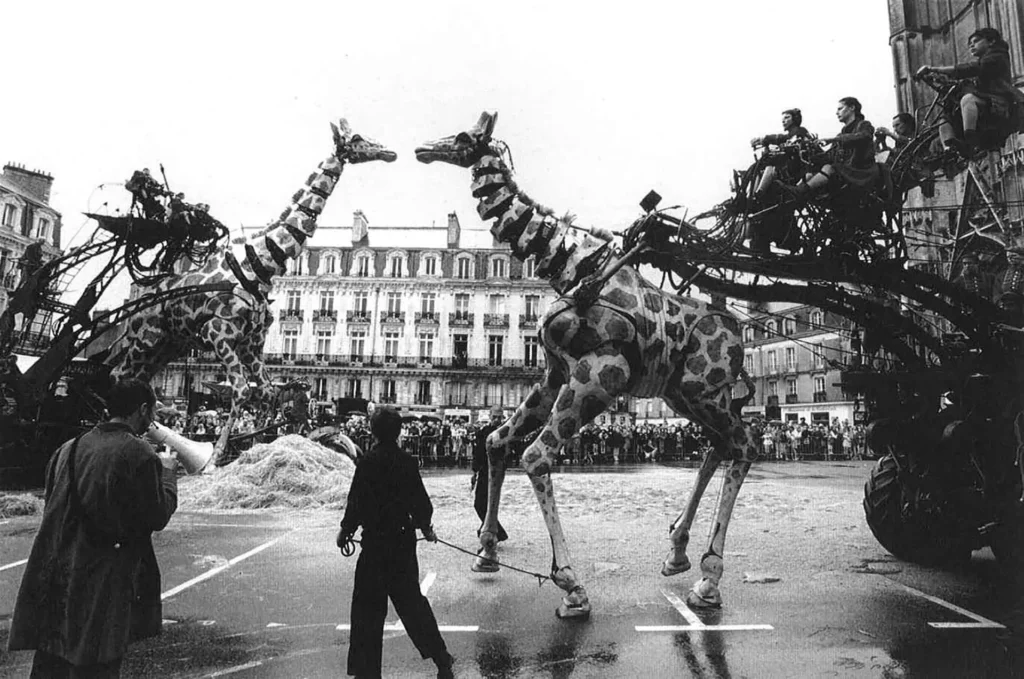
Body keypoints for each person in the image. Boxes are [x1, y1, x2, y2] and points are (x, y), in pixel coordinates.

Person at [8, 378, 178, 679]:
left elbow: (53, 505)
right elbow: (157, 516)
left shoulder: (67, 449)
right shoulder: (140, 454)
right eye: (151, 413)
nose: (151, 421)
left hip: (59, 576)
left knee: (53, 660)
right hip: (102, 580)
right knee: (96, 661)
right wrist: (167, 475)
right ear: (142, 410)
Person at [337, 404, 455, 679]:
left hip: (374, 546)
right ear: (399, 432)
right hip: (401, 543)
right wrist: (425, 527)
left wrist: (345, 531)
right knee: (413, 606)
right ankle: (441, 659)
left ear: (372, 431)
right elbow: (422, 505)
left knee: (367, 611)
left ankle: (367, 672)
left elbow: (355, 503)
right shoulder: (407, 462)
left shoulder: (365, 463)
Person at [917, 28, 1024, 157]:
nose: (971, 45)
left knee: (968, 99)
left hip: (1002, 103)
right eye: (969, 44)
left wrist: (935, 69)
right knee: (945, 119)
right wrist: (937, 79)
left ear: (991, 42)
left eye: (976, 41)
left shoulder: (998, 56)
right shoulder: (983, 62)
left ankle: (970, 141)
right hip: (986, 102)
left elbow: (972, 69)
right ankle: (950, 150)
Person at [781, 97, 879, 200]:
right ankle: (797, 192)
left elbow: (864, 136)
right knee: (815, 169)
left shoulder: (864, 125)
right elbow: (829, 156)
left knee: (830, 168)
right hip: (848, 172)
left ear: (852, 108)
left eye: (840, 109)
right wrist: (814, 149)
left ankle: (800, 192)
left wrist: (832, 139)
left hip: (861, 172)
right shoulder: (841, 134)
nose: (837, 113)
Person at [471, 405, 508, 542]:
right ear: (490, 416)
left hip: (496, 472)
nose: (497, 420)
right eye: (494, 417)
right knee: (481, 504)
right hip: (484, 471)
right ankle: (492, 529)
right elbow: (478, 453)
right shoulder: (484, 432)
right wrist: (474, 471)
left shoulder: (504, 433)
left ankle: (492, 530)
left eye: (499, 417)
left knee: (485, 503)